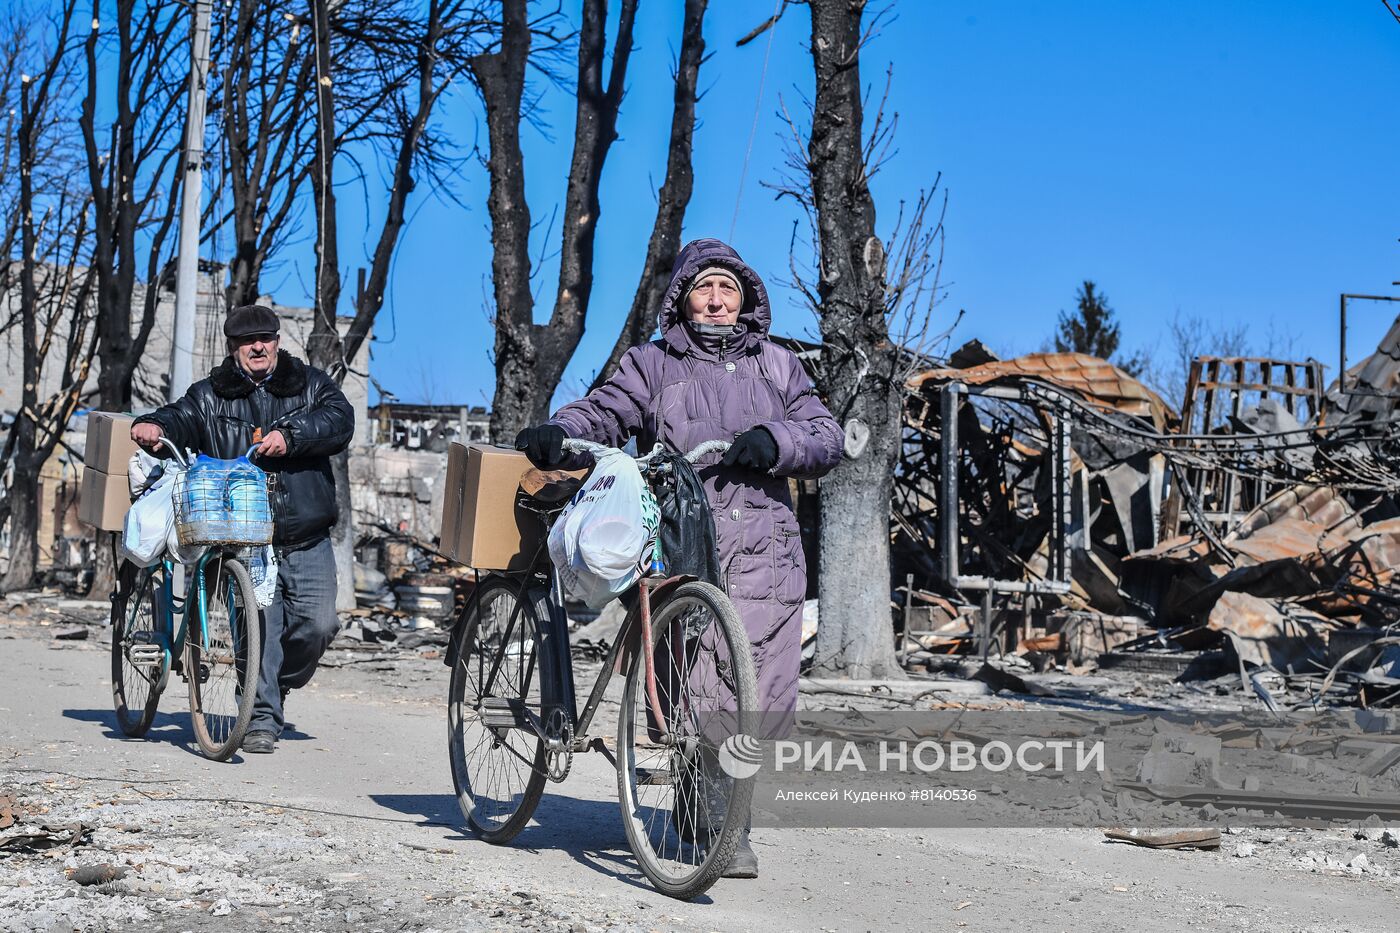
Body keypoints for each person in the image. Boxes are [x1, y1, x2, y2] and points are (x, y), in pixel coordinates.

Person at [516, 238, 843, 877]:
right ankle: (706, 819)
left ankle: (725, 825)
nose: (717, 300)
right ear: (683, 299)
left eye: (729, 288)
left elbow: (824, 434)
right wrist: (562, 431)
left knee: (750, 684)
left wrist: (772, 440)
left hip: (762, 548)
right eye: (704, 288)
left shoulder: (780, 366)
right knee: (688, 681)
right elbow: (606, 410)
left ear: (746, 298)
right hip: (678, 534)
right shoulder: (653, 363)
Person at [131, 304, 355, 755]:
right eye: (247, 341)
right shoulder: (212, 394)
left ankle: (274, 680)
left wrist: (291, 435)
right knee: (259, 629)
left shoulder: (310, 384)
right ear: (233, 348)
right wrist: (155, 424)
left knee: (319, 625)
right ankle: (259, 717)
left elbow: (340, 419)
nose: (258, 347)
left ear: (276, 341)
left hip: (305, 532)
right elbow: (182, 416)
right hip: (245, 538)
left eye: (266, 338)